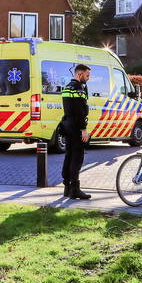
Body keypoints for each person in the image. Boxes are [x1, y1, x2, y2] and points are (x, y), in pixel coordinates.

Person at [60, 64, 92, 200]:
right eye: (87, 75)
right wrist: (83, 129)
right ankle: (75, 190)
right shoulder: (79, 89)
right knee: (77, 158)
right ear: (79, 74)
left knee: (68, 156)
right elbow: (79, 111)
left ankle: (67, 187)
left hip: (67, 125)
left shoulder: (67, 87)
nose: (88, 78)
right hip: (76, 126)